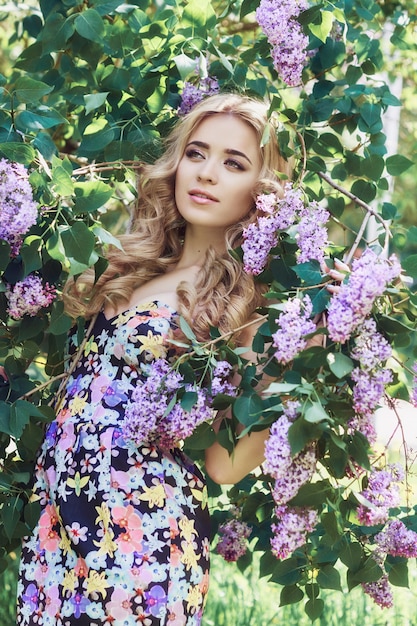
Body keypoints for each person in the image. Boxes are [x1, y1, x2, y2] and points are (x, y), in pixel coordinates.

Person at [16, 92, 290, 626]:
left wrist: (294, 358)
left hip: (139, 546)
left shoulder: (246, 307)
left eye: (233, 164)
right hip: (58, 530)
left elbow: (225, 465)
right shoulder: (134, 266)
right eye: (197, 153)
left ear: (263, 192)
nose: (207, 173)